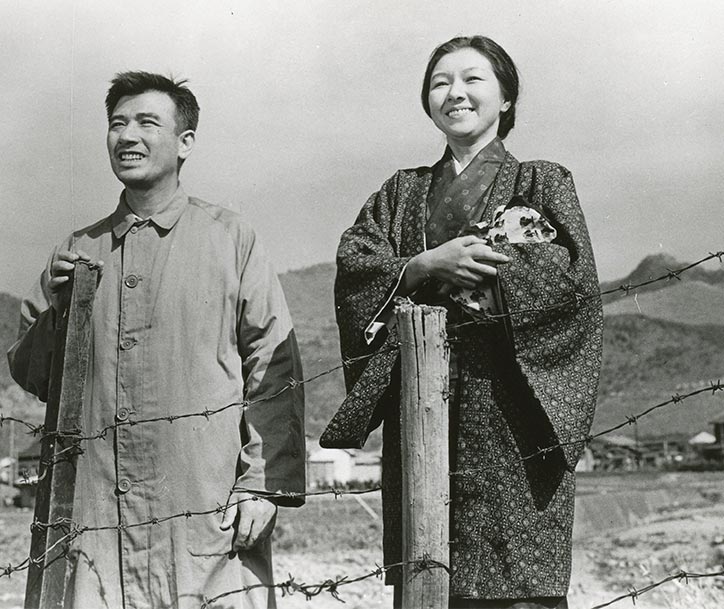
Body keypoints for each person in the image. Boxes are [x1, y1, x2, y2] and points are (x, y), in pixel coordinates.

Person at [321, 36, 603, 609]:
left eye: (473, 79)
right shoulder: (401, 193)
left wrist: (483, 277)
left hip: (512, 413)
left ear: (506, 98)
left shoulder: (541, 182)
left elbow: (570, 285)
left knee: (516, 585)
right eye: (440, 82)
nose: (455, 93)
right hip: (422, 400)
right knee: (428, 572)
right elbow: (357, 267)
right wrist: (425, 264)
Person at [8, 72, 305, 609]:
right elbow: (35, 377)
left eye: (147, 123)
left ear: (185, 142)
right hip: (95, 527)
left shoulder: (232, 237)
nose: (128, 136)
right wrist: (56, 306)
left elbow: (274, 366)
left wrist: (263, 483)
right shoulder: (76, 250)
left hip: (205, 519)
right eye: (117, 124)